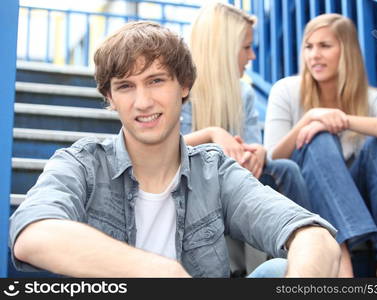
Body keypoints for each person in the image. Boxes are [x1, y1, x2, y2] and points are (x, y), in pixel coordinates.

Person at [9, 21, 340, 278]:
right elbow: (33, 234)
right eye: (125, 86)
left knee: (278, 271)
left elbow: (312, 235)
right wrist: (159, 270)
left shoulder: (216, 172)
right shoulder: (82, 163)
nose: (143, 102)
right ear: (110, 98)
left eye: (156, 81)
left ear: (183, 85)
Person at [264, 13, 377, 277]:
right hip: (303, 198)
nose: (314, 55)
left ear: (346, 51)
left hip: (359, 202)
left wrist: (345, 120)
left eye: (325, 46)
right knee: (319, 138)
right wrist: (312, 118)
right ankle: (342, 265)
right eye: (309, 47)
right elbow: (272, 157)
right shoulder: (286, 90)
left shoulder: (369, 97)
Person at [180, 2, 311, 276]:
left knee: (284, 169)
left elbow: (251, 144)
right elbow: (166, 147)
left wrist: (258, 151)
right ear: (224, 49)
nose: (252, 55)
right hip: (191, 180)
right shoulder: (179, 89)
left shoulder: (244, 93)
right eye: (246, 47)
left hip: (235, 175)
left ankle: (304, 253)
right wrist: (213, 133)